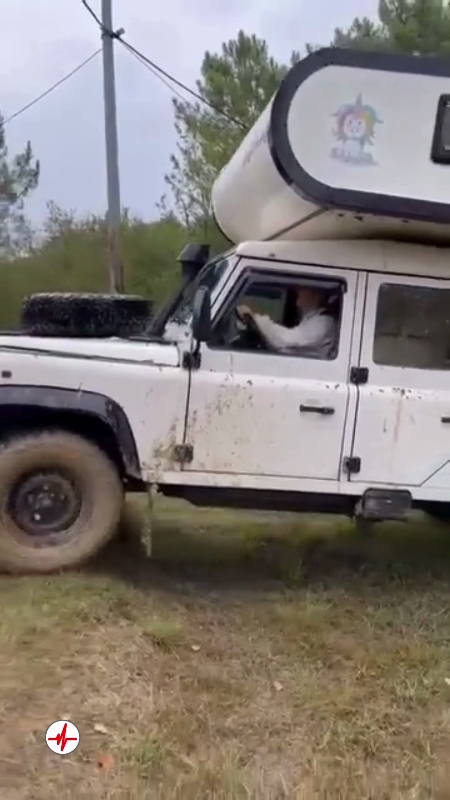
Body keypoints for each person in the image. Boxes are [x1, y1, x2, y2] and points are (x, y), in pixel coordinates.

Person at [237, 286, 336, 358]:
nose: (298, 293)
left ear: (315, 295)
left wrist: (257, 318)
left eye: (303, 290)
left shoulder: (323, 322)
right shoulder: (312, 318)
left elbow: (285, 339)